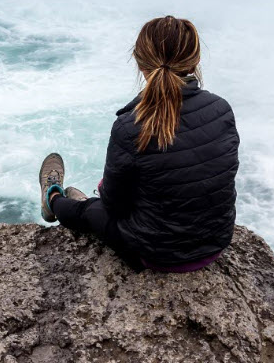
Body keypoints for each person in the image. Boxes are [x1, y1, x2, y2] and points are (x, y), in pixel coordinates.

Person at [38, 16, 239, 272]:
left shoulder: (130, 126)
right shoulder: (221, 109)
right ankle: (79, 200)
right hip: (215, 243)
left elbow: (114, 204)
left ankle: (52, 197)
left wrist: (105, 193)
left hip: (157, 253)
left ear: (140, 61)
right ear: (195, 60)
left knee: (92, 212)